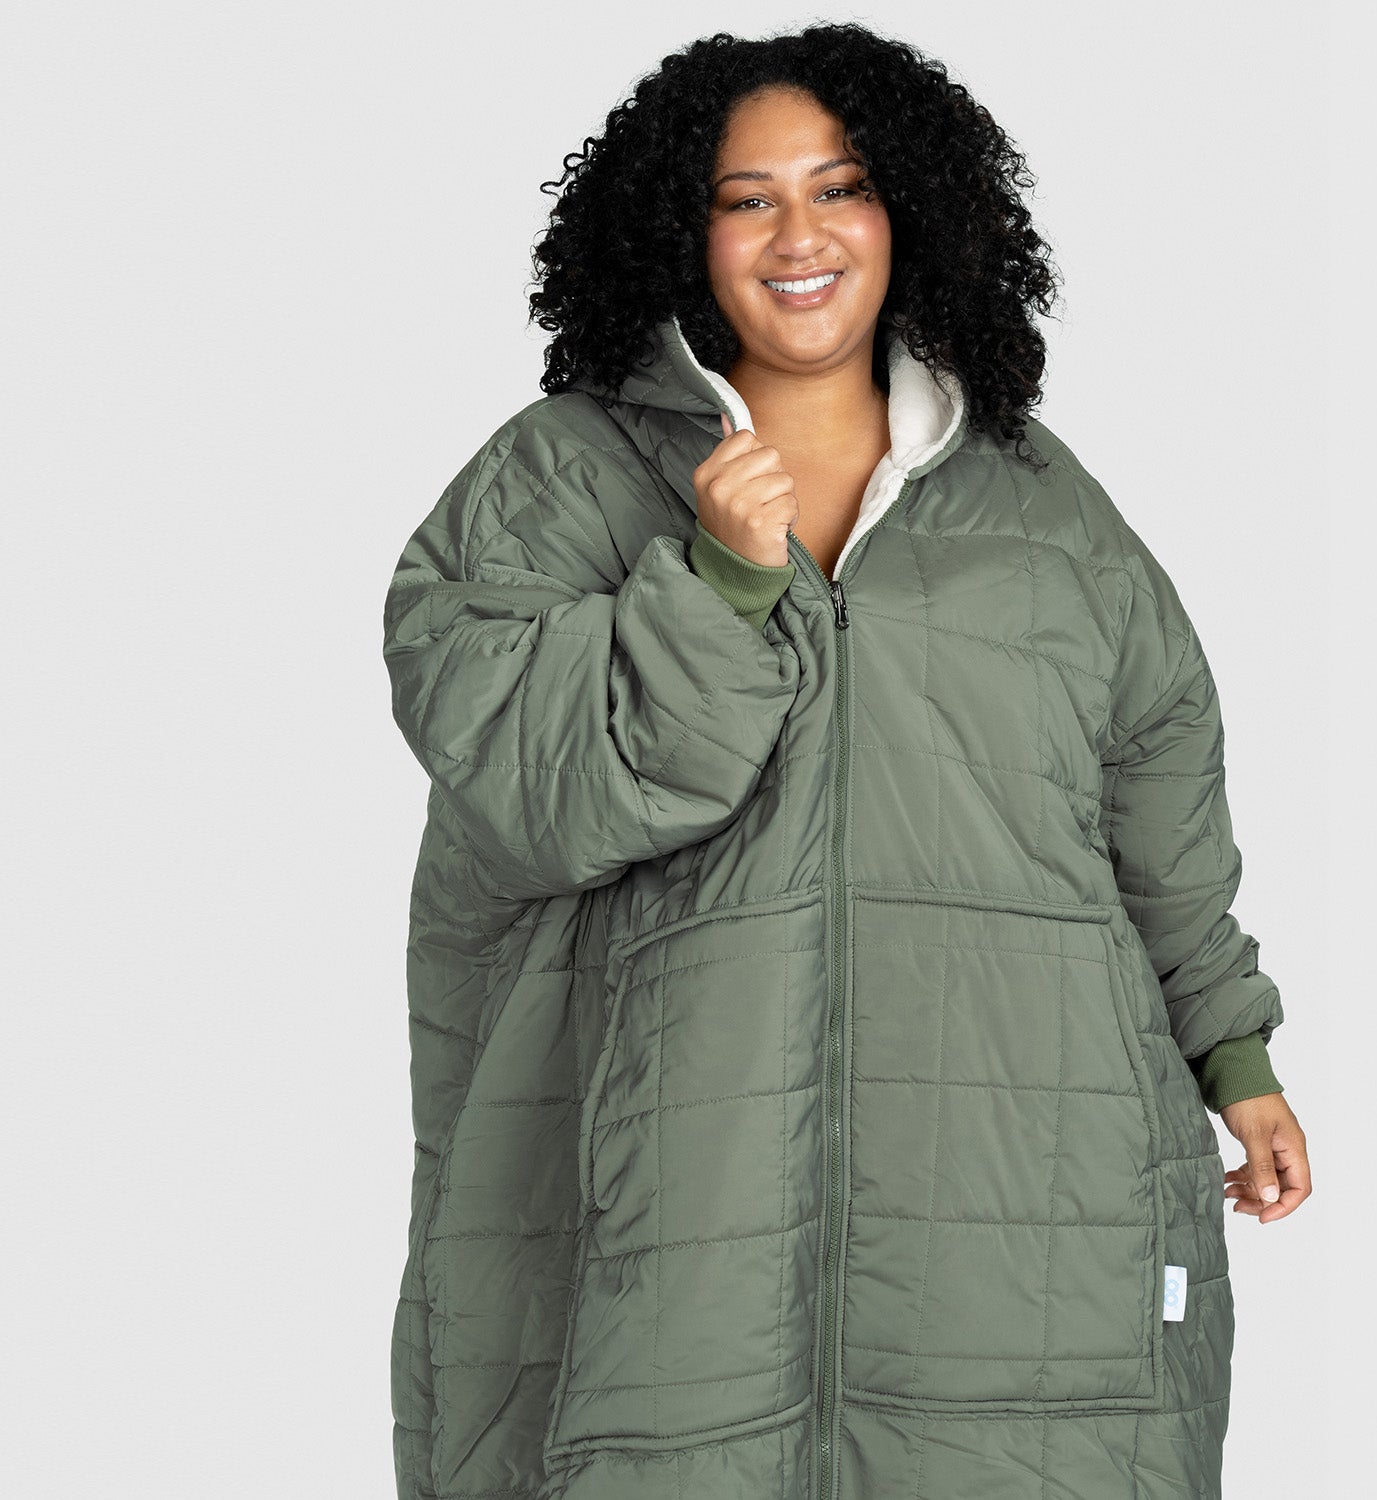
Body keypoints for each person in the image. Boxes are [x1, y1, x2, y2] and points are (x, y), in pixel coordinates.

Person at [381, 22, 1312, 1500]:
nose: (799, 236)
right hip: (669, 1217)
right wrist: (718, 585)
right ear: (680, 231)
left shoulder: (1044, 510)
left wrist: (1236, 1058)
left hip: (1021, 1209)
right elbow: (531, 785)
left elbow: (1159, 795)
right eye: (746, 198)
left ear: (910, 214)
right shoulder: (557, 480)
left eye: (842, 188)